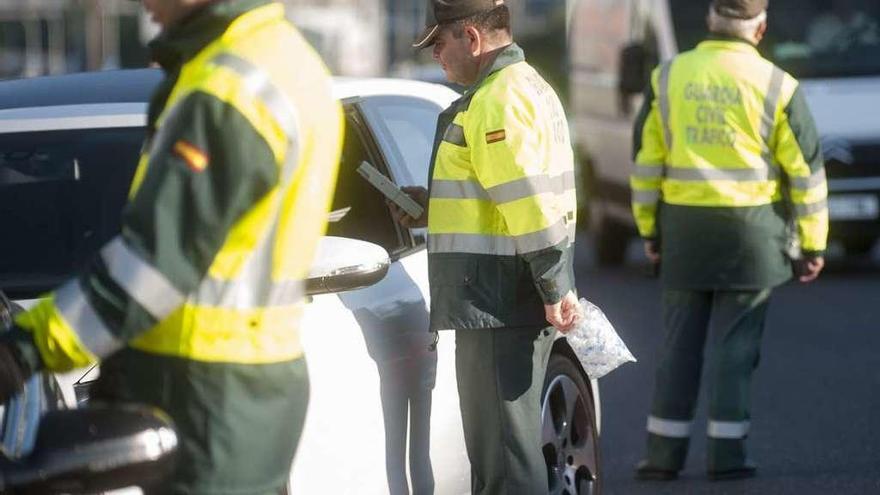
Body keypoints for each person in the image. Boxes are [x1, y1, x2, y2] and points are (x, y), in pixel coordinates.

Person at [0, 0, 342, 493]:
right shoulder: (282, 60)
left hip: (205, 388)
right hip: (235, 385)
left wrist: (23, 351)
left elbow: (151, 264)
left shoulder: (228, 86)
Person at [630, 0, 828, 481]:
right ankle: (727, 456)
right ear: (760, 29)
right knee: (736, 348)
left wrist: (649, 229)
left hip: (684, 232)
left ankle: (663, 456)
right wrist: (813, 243)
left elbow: (645, 164)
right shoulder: (779, 86)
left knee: (679, 347)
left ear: (710, 24)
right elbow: (806, 174)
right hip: (751, 233)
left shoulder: (668, 77)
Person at [390, 0, 580, 492]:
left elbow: (526, 200)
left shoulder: (495, 100)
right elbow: (503, 191)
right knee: (507, 456)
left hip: (496, 302)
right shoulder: (529, 85)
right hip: (511, 295)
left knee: (505, 469)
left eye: (439, 42)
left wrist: (555, 283)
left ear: (472, 39)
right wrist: (433, 205)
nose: (436, 55)